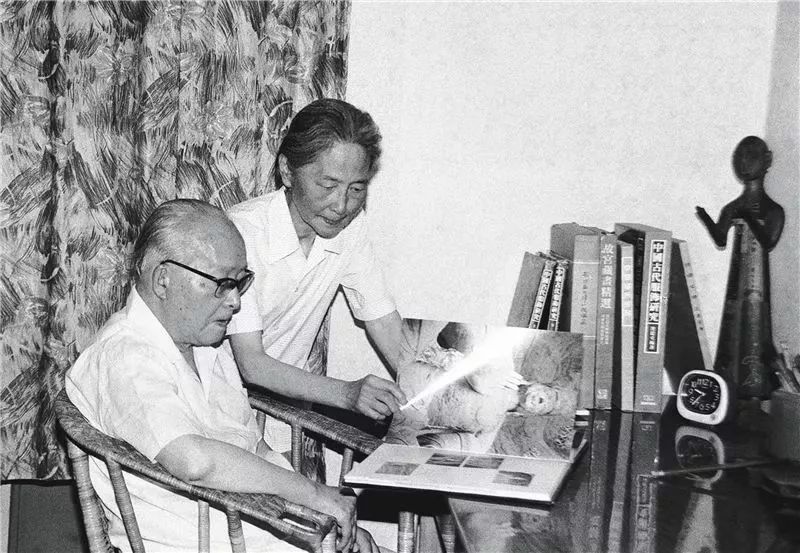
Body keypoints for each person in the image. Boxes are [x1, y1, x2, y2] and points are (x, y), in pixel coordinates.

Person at [66, 199, 379, 553]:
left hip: (261, 532)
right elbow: (194, 461)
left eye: (240, 283)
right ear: (163, 280)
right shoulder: (124, 356)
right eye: (222, 283)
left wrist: (321, 515)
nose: (235, 301)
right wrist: (315, 495)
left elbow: (255, 446)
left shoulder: (206, 347)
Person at [221, 99, 407, 454]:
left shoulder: (351, 229)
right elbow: (252, 364)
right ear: (288, 171)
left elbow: (382, 320)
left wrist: (441, 395)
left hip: (281, 417)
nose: (342, 205)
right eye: (328, 185)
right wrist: (348, 394)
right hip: (214, 411)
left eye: (357, 188)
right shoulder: (242, 233)